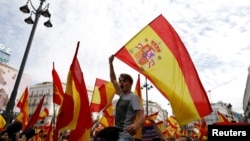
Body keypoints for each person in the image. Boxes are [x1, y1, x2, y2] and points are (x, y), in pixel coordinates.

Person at [109, 55, 145, 141]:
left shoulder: (133, 97)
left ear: (130, 83)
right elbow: (113, 79)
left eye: (124, 81)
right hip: (116, 134)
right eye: (120, 81)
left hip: (125, 137)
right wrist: (110, 63)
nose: (121, 83)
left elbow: (142, 116)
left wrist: (136, 125)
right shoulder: (121, 94)